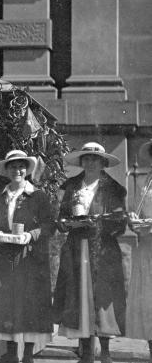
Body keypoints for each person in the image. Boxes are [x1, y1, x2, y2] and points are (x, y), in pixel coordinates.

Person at [53, 142, 126, 363]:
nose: (90, 162)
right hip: (76, 248)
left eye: (95, 159)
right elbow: (62, 217)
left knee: (103, 298)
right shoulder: (72, 186)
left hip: (102, 250)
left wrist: (100, 222)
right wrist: (66, 224)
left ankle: (104, 352)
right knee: (79, 297)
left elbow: (120, 221)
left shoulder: (112, 188)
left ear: (103, 162)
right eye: (86, 158)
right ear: (81, 161)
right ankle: (85, 352)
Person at [0, 150, 54, 363]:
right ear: (6, 170)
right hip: (6, 256)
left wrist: (31, 234)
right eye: (13, 167)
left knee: (29, 303)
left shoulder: (37, 195)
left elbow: (49, 226)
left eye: (21, 167)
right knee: (7, 300)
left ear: (27, 170)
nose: (17, 170)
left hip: (30, 258)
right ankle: (10, 352)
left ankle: (27, 354)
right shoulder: (1, 196)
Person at [127, 139, 152, 363]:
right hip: (146, 247)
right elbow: (136, 209)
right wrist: (133, 219)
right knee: (148, 303)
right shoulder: (145, 181)